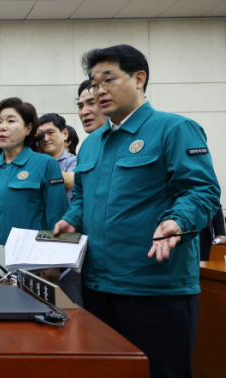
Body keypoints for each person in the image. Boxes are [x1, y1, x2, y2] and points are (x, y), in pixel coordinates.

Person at [54, 45, 220, 378]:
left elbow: (202, 190)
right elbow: (84, 197)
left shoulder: (174, 129)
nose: (99, 91)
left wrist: (176, 220)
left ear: (139, 78)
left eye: (108, 80)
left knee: (161, 372)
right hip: (99, 287)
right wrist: (70, 219)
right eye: (94, 83)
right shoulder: (93, 143)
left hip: (154, 288)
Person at [0, 98, 68, 247]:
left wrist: (53, 263)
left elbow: (57, 216)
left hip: (31, 260)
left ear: (28, 129)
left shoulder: (46, 164)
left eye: (10, 121)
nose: (2, 127)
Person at [38, 113, 78, 203]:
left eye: (50, 132)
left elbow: (70, 181)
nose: (45, 138)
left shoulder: (73, 161)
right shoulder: (33, 159)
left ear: (65, 134)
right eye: (41, 134)